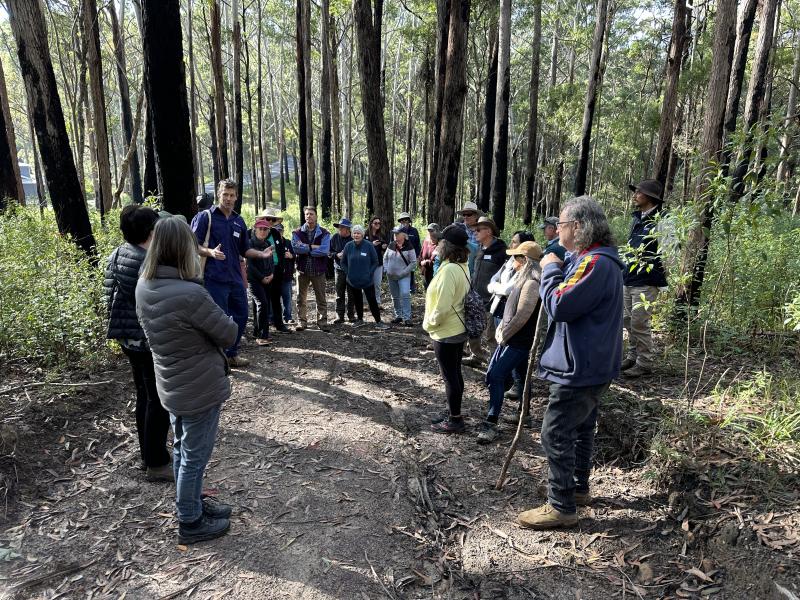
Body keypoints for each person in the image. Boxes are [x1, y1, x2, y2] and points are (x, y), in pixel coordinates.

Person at [517, 196, 623, 530]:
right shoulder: (593, 260)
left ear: (577, 227)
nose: (557, 231)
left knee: (555, 431)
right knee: (580, 428)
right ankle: (577, 488)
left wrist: (549, 269)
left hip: (581, 366)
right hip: (589, 361)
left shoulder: (595, 263)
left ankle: (561, 505)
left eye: (560, 225)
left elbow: (560, 305)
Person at [136, 216, 238, 544]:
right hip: (198, 387)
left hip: (171, 382)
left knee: (182, 448)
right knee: (194, 455)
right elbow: (227, 333)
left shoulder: (144, 285)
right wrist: (230, 317)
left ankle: (191, 505)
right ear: (184, 249)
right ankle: (190, 521)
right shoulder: (189, 293)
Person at [103, 205, 171, 481]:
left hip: (127, 336)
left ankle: (149, 455)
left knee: (144, 394)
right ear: (149, 231)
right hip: (144, 338)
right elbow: (157, 304)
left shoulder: (119, 253)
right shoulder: (145, 262)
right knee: (158, 399)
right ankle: (156, 463)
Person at [191, 179, 273, 368]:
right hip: (213, 278)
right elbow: (192, 245)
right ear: (218, 195)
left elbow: (245, 250)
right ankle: (217, 358)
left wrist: (261, 254)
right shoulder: (206, 217)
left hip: (235, 278)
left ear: (236, 197)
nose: (228, 198)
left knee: (242, 315)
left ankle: (231, 353)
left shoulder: (239, 220)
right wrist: (210, 252)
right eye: (225, 194)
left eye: (232, 195)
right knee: (218, 320)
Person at [478, 241, 543, 444]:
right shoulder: (521, 278)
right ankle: (525, 415)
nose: (512, 260)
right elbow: (511, 311)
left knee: (495, 375)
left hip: (518, 342)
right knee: (521, 377)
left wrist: (504, 334)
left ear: (524, 260)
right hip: (511, 338)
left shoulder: (532, 283)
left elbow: (522, 315)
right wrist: (501, 329)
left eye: (516, 257)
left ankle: (491, 422)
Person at [423, 225, 471, 434]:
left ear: (447, 246)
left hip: (447, 331)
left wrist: (429, 324)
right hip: (456, 328)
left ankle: (455, 419)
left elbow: (442, 307)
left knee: (449, 376)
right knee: (454, 373)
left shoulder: (451, 269)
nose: (438, 244)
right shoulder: (460, 265)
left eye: (441, 241)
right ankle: (453, 411)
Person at [621, 179, 667, 378]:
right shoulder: (637, 217)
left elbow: (668, 251)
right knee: (627, 320)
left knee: (640, 322)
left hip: (648, 281)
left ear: (649, 197)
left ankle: (644, 362)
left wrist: (664, 279)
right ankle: (633, 356)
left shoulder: (663, 219)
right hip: (629, 277)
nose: (635, 195)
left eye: (638, 192)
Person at [486, 230, 535, 403]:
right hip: (499, 310)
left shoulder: (530, 279)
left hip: (516, 328)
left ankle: (521, 404)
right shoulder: (510, 261)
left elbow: (507, 290)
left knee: (516, 366)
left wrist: (498, 287)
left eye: (515, 242)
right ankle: (510, 389)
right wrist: (497, 287)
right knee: (501, 357)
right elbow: (493, 281)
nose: (511, 245)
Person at [463, 217, 507, 368]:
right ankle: (476, 356)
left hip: (492, 302)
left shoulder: (502, 251)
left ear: (488, 231)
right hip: (476, 298)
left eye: (478, 230)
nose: (474, 232)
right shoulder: (480, 249)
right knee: (472, 330)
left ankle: (495, 367)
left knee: (491, 336)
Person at [341, 225, 390, 329]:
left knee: (372, 300)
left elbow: (375, 261)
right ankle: (360, 319)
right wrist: (348, 273)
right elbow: (343, 262)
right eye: (354, 233)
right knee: (357, 300)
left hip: (367, 280)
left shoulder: (368, 245)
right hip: (352, 280)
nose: (356, 235)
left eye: (358, 233)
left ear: (362, 235)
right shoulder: (348, 246)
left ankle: (378, 321)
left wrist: (369, 273)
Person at [291, 206, 331, 332]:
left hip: (318, 270)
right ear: (304, 216)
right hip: (302, 269)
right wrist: (312, 247)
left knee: (321, 297)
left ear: (316, 216)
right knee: (300, 298)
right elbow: (296, 248)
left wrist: (306, 249)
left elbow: (324, 251)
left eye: (311, 214)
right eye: (307, 214)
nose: (309, 216)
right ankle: (301, 322)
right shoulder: (297, 232)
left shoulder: (325, 233)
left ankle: (322, 322)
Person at [247, 218, 278, 345]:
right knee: (262, 304)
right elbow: (250, 265)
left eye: (266, 229)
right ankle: (261, 336)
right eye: (261, 229)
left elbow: (271, 262)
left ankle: (261, 332)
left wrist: (271, 274)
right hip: (254, 280)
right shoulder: (249, 244)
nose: (263, 231)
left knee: (263, 305)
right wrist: (261, 277)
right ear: (255, 229)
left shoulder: (266, 245)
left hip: (267, 279)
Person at [384, 228, 417, 326]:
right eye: (394, 234)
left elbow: (413, 263)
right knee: (395, 297)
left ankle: (407, 318)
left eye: (397, 234)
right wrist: (386, 270)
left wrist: (403, 273)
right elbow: (385, 258)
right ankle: (398, 316)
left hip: (404, 276)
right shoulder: (391, 245)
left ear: (403, 235)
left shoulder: (409, 247)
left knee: (405, 294)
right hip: (391, 276)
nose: (395, 235)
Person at [330, 217, 355, 324]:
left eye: (342, 228)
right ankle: (339, 315)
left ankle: (351, 315)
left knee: (351, 293)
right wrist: (337, 255)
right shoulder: (334, 237)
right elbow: (329, 252)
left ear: (348, 229)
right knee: (339, 293)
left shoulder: (354, 238)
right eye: (339, 227)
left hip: (351, 270)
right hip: (339, 269)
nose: (339, 229)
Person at [275, 223, 296, 324]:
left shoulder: (288, 242)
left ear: (283, 231)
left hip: (286, 275)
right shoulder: (271, 242)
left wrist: (291, 256)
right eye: (276, 230)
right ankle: (272, 318)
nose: (279, 232)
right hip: (274, 276)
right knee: (273, 299)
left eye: (280, 230)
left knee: (287, 298)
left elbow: (296, 255)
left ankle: (288, 317)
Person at [366, 216, 389, 305]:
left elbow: (384, 248)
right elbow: (362, 247)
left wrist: (384, 247)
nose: (378, 225)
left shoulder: (381, 235)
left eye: (379, 223)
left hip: (378, 262)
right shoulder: (366, 234)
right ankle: (365, 302)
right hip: (367, 263)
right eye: (375, 223)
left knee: (377, 284)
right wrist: (372, 244)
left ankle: (377, 303)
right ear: (371, 224)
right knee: (366, 283)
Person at [419, 223, 441, 289]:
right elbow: (421, 254)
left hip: (435, 274)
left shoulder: (441, 244)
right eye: (429, 231)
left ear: (437, 231)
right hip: (425, 272)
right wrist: (420, 264)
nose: (430, 233)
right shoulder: (426, 241)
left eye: (432, 231)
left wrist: (426, 262)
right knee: (427, 293)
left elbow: (439, 261)